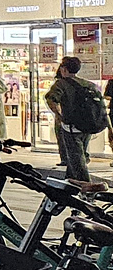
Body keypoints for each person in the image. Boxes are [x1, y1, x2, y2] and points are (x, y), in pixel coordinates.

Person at [46, 55, 103, 185]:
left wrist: (59, 116)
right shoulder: (88, 84)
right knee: (76, 158)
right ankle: (69, 186)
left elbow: (51, 100)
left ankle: (87, 189)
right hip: (87, 126)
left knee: (77, 159)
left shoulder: (61, 83)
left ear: (64, 69)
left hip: (71, 128)